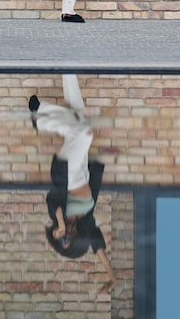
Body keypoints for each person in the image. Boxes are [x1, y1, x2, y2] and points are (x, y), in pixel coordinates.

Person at [29, 74, 116, 294]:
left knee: (85, 134)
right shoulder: (86, 223)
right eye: (69, 239)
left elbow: (55, 203)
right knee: (77, 118)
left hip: (68, 172)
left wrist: (59, 223)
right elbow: (98, 248)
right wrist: (111, 276)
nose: (65, 235)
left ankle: (42, 114)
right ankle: (68, 70)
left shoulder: (56, 213)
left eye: (61, 238)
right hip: (83, 171)